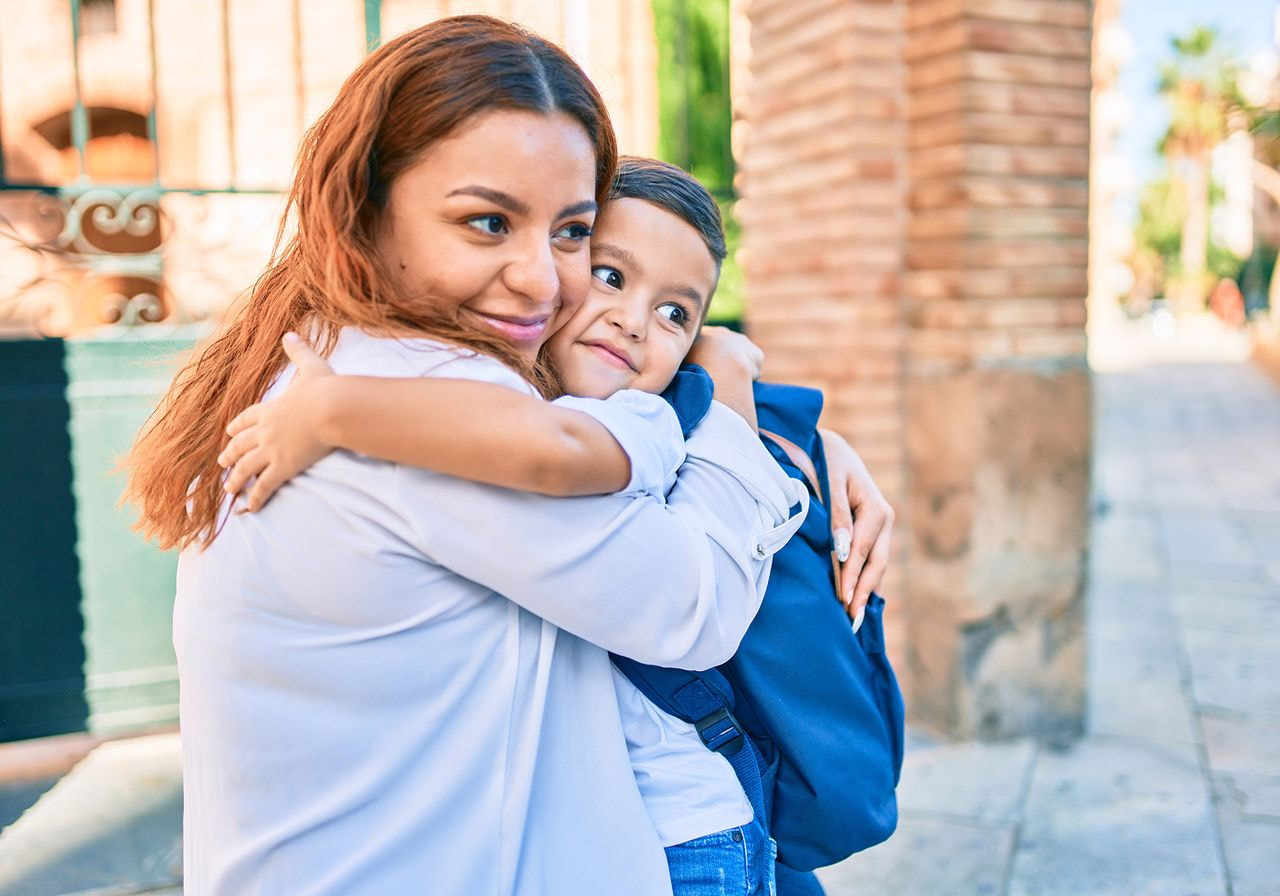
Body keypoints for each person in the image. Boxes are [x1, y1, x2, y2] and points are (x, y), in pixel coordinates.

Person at [124, 18, 816, 895]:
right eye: (488, 223)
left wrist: (804, 439)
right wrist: (730, 390)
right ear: (364, 211)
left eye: (571, 233)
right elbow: (692, 605)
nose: (542, 279)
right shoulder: (417, 398)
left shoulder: (326, 353)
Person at [218, 157, 895, 895]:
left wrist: (336, 410)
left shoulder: (642, 422)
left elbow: (555, 454)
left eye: (677, 314)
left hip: (685, 832)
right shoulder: (546, 405)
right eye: (609, 275)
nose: (634, 321)